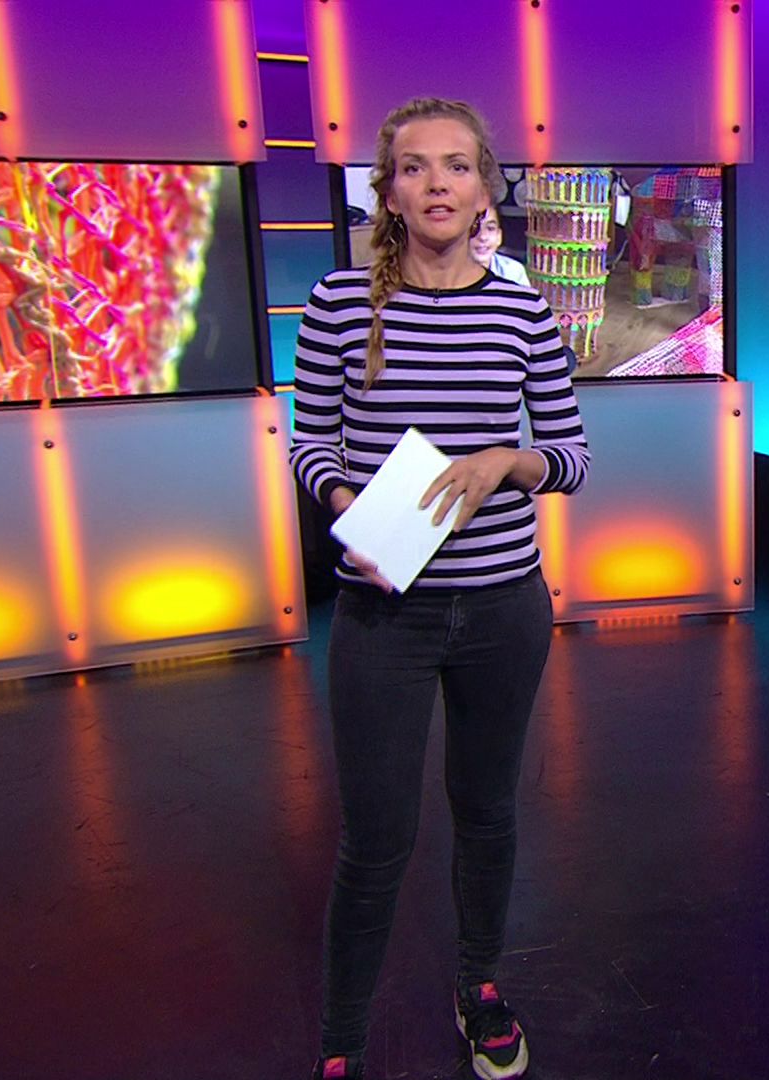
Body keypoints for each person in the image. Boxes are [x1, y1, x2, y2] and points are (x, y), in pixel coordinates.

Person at [290, 96, 590, 1080]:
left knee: (488, 812)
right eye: (414, 167)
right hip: (385, 616)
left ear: (484, 186)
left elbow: (571, 455)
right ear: (388, 191)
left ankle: (480, 988)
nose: (437, 185)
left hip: (504, 607)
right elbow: (310, 445)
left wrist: (508, 462)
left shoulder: (522, 309)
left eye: (456, 166)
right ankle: (342, 1041)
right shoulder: (340, 304)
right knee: (376, 840)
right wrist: (347, 509)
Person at [472, 208, 532, 287]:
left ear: (499, 236)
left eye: (490, 228)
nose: (483, 237)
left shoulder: (513, 272)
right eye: (474, 228)